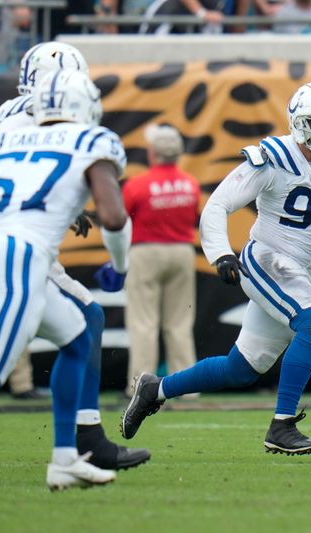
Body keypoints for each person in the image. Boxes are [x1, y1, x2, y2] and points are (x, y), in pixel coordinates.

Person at [0, 42, 150, 472]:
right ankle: (86, 441)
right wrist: (119, 267)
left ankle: (68, 455)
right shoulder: (90, 137)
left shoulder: (8, 122)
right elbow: (115, 218)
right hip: (7, 245)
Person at [120, 81, 311, 454]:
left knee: (241, 367)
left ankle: (155, 389)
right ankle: (282, 425)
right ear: (298, 122)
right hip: (268, 257)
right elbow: (217, 205)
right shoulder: (273, 157)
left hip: (304, 269)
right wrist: (220, 253)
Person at [121, 123, 201, 398]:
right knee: (179, 323)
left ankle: (139, 386)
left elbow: (121, 220)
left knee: (144, 323)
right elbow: (193, 216)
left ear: (152, 152)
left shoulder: (137, 184)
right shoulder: (189, 183)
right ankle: (188, 389)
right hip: (181, 251)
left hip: (145, 252)